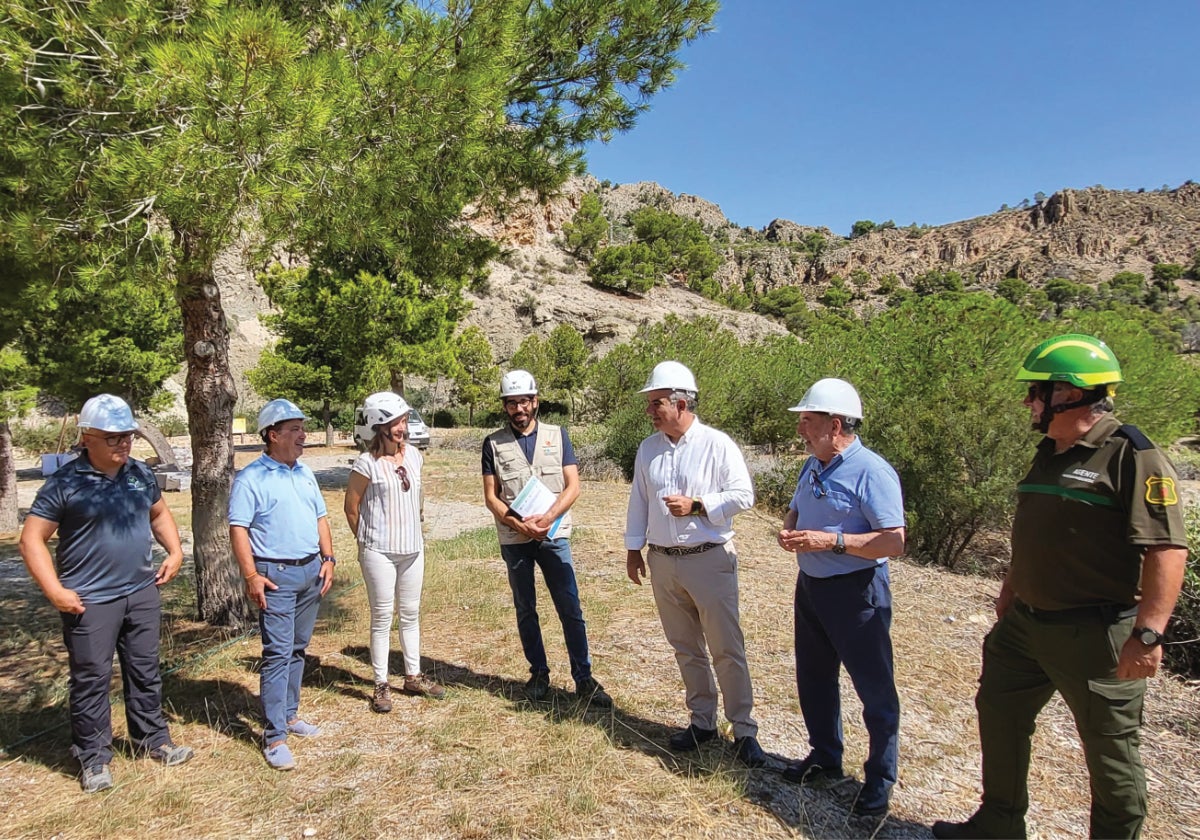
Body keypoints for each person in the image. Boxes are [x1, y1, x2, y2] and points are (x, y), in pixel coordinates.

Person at [932, 334, 1188, 840]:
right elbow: (1040, 530)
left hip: (1096, 635)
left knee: (1110, 750)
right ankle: (998, 825)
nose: (1028, 402)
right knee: (1000, 714)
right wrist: (1010, 588)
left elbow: (1167, 549)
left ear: (1071, 394)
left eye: (1037, 391)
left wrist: (1150, 634)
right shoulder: (1049, 451)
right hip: (1025, 624)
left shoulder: (1132, 456)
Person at [20, 394, 194, 793]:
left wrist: (176, 550)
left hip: (141, 592)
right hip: (90, 601)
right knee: (91, 679)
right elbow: (32, 540)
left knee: (145, 671)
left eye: (128, 436)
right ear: (87, 438)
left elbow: (159, 513)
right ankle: (94, 758)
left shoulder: (139, 474)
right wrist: (56, 591)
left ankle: (153, 740)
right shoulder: (65, 483)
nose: (124, 444)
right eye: (113, 438)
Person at [624, 361, 767, 768]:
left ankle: (743, 729)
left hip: (709, 560)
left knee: (726, 647)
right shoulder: (648, 448)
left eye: (656, 403)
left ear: (682, 402)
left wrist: (699, 505)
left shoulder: (717, 444)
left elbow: (744, 495)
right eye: (650, 403)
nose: (650, 411)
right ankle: (702, 722)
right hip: (664, 561)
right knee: (685, 647)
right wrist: (635, 549)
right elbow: (639, 500)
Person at [777, 378, 906, 818]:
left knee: (874, 689)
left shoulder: (872, 470)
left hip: (856, 592)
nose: (801, 430)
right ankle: (825, 756)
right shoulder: (814, 463)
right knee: (814, 677)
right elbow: (798, 505)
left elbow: (893, 541)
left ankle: (878, 781)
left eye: (808, 422)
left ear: (835, 425)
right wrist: (791, 525)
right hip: (812, 587)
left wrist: (829, 541)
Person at [481, 369, 611, 707]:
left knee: (570, 607)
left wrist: (549, 518)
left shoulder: (558, 435)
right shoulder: (492, 443)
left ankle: (583, 678)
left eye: (524, 401)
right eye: (511, 403)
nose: (518, 408)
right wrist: (522, 526)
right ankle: (538, 673)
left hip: (554, 536)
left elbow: (573, 485)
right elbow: (491, 497)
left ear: (535, 401)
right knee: (526, 608)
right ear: (505, 406)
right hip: (516, 538)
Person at [229, 398, 336, 771]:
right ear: (272, 435)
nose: (303, 435)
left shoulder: (304, 473)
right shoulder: (251, 478)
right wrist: (251, 576)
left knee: (297, 648)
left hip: (310, 572)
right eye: (294, 430)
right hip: (275, 577)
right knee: (276, 653)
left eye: (303, 428)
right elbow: (238, 529)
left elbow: (321, 517)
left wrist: (329, 559)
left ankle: (290, 715)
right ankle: (274, 736)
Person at [344, 391, 444, 713]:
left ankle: (412, 676)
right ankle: (381, 683)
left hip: (413, 549)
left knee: (411, 614)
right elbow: (351, 508)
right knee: (382, 617)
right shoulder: (366, 463)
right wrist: (367, 543)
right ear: (379, 427)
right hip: (379, 552)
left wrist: (417, 520)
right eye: (396, 423)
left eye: (403, 421)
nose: (403, 427)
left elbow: (418, 495)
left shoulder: (414, 456)